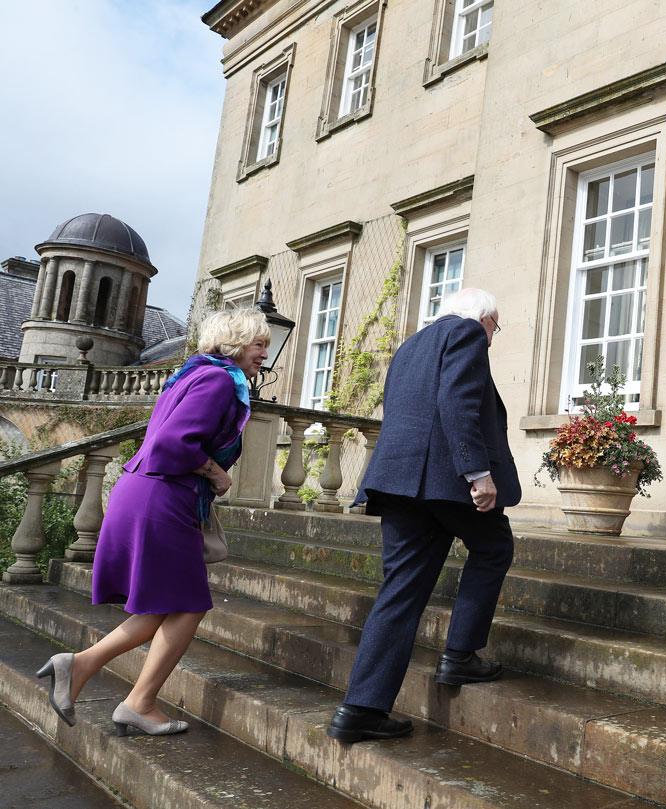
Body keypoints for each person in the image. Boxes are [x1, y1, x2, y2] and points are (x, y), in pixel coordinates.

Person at [36, 309, 270, 736]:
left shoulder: (192, 375)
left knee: (171, 603)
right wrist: (216, 472)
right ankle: (137, 701)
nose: (264, 354)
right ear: (235, 343)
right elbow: (171, 443)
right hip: (162, 495)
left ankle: (85, 668)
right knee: (189, 604)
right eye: (259, 344)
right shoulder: (219, 380)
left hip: (148, 491)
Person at [327, 287, 519, 744]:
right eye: (496, 327)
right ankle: (460, 655)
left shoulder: (412, 344)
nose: (492, 338)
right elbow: (457, 402)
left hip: (398, 482)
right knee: (494, 546)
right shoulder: (467, 333)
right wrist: (478, 472)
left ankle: (360, 709)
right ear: (484, 317)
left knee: (400, 590)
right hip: (446, 482)